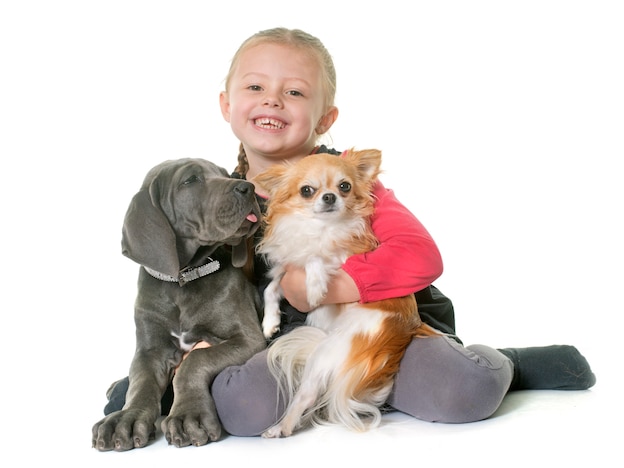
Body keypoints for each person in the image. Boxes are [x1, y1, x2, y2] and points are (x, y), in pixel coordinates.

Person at [104, 27, 595, 435]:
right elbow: (187, 284)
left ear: (326, 117)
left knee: (462, 390)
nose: (272, 100)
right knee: (241, 409)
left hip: (377, 327)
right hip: (288, 345)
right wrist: (164, 367)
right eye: (255, 88)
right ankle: (339, 393)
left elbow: (421, 256)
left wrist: (331, 286)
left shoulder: (349, 180)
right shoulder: (218, 197)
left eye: (294, 91)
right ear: (226, 105)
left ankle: (496, 365)